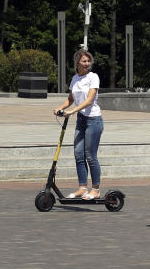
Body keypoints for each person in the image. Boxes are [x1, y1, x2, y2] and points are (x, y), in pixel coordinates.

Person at [53, 48, 104, 200]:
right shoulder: (75, 78)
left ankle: (95, 189)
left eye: (88, 61)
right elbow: (70, 98)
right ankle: (82, 187)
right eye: (84, 61)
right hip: (81, 120)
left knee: (90, 156)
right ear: (77, 63)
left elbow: (89, 100)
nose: (87, 63)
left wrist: (73, 111)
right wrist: (60, 108)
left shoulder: (93, 77)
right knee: (78, 154)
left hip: (94, 120)